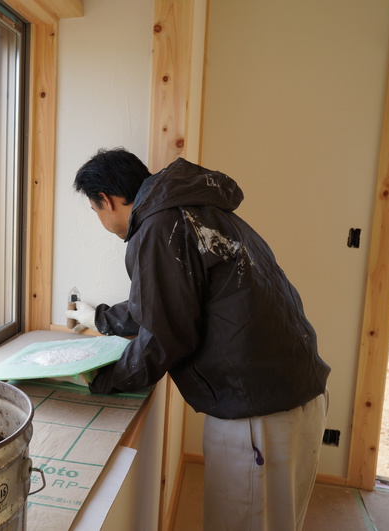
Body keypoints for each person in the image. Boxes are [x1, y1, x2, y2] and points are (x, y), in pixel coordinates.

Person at [66, 147, 331, 531]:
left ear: (106, 200)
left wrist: (99, 378)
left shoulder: (158, 225)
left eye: (95, 212)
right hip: (294, 394)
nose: (101, 221)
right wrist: (101, 318)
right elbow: (167, 300)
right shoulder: (196, 210)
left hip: (256, 412)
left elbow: (165, 336)